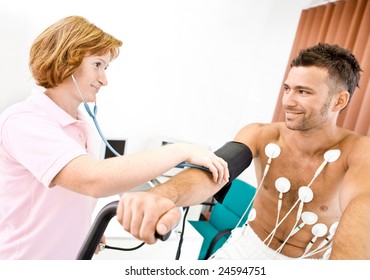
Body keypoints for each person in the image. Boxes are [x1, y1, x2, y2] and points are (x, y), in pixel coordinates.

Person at [117, 43, 370, 259]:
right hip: (248, 248)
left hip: (312, 260)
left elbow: (369, 213)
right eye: (287, 89)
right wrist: (162, 196)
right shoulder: (261, 134)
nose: (288, 101)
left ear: (339, 101)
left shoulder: (365, 152)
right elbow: (214, 172)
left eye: (303, 92)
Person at [0, 15, 229, 260]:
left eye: (105, 68)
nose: (104, 80)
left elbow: (73, 192)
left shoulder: (81, 124)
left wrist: (84, 230)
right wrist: (181, 151)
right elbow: (93, 180)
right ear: (66, 60)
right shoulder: (24, 120)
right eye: (97, 65)